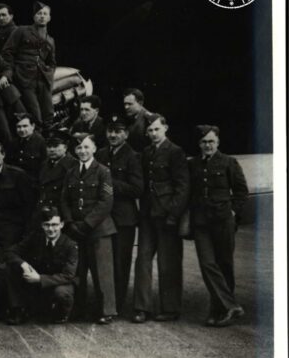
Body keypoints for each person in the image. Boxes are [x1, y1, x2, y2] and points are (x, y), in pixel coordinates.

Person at [188, 125, 248, 327]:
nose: (208, 145)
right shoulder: (193, 164)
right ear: (199, 144)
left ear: (218, 142)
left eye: (211, 141)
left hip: (223, 220)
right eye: (204, 142)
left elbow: (241, 191)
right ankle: (231, 306)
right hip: (201, 222)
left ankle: (218, 311)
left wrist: (233, 212)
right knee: (207, 264)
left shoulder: (229, 162)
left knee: (225, 264)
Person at [132, 113, 190, 323]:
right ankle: (142, 308)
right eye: (150, 130)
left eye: (157, 129)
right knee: (143, 261)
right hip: (148, 215)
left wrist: (173, 214)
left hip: (167, 216)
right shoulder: (146, 152)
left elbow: (183, 187)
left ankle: (171, 308)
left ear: (165, 128)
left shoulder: (175, 152)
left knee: (169, 263)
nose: (153, 133)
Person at [60, 133, 117, 324]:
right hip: (76, 230)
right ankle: (78, 309)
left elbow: (106, 202)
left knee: (102, 271)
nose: (82, 151)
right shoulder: (71, 172)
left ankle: (106, 311)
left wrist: (87, 224)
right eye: (79, 148)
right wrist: (69, 223)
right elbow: (64, 200)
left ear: (94, 149)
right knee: (78, 271)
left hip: (98, 229)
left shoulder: (103, 171)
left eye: (86, 147)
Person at [94, 115, 143, 313]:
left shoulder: (133, 157)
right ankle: (105, 303)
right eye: (110, 131)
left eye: (118, 131)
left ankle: (118, 304)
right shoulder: (101, 154)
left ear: (126, 134)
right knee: (104, 261)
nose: (113, 135)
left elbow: (137, 188)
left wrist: (109, 182)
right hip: (104, 217)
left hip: (124, 218)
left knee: (121, 262)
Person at [5, 206, 78, 325]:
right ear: (42, 225)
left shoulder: (70, 245)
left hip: (57, 284)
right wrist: (22, 264)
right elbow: (10, 252)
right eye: (47, 225)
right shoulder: (35, 238)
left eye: (54, 225)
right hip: (37, 286)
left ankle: (61, 314)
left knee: (62, 293)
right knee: (11, 267)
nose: (51, 229)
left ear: (62, 225)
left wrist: (40, 279)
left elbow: (68, 275)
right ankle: (18, 310)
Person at [2, 1, 56, 131]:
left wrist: (49, 73)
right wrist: (11, 71)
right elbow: (7, 52)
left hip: (42, 79)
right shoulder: (21, 31)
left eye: (45, 14)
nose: (42, 16)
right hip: (24, 78)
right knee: (34, 112)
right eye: (39, 13)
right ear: (34, 17)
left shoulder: (50, 40)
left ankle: (48, 140)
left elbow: (52, 62)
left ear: (49, 18)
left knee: (48, 113)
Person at [38, 129, 77, 210]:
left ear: (65, 147)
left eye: (55, 146)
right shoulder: (44, 164)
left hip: (62, 210)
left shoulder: (74, 165)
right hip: (44, 208)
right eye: (49, 146)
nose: (51, 149)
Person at [6, 113, 47, 182]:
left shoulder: (40, 142)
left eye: (25, 126)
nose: (21, 130)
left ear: (33, 126)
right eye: (18, 127)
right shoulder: (13, 143)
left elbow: (45, 166)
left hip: (33, 182)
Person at [122, 88, 152, 153]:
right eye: (125, 104)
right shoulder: (130, 118)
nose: (126, 107)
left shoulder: (150, 120)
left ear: (140, 103)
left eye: (130, 104)